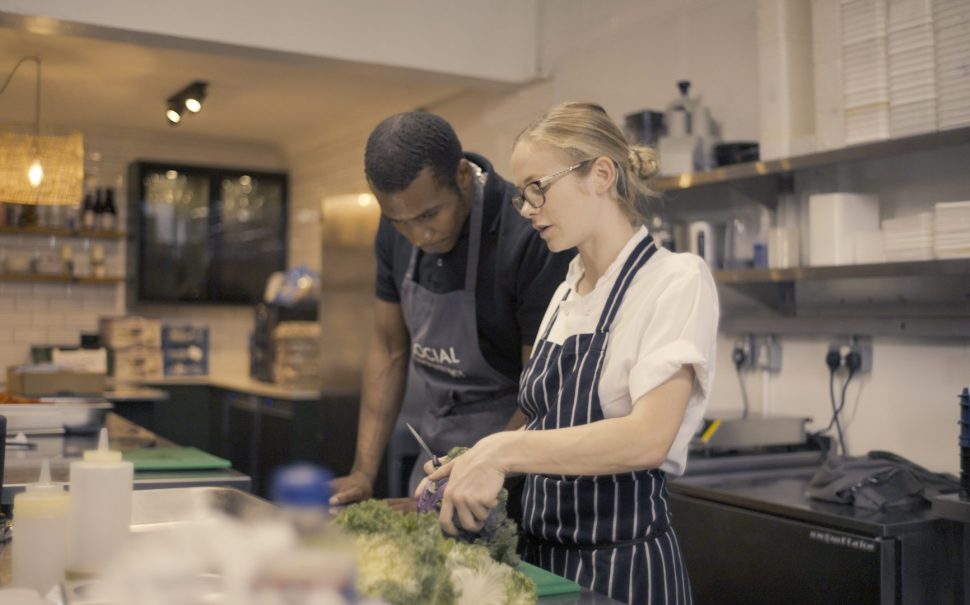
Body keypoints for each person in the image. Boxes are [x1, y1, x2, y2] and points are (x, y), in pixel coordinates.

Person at [417, 102, 719, 605]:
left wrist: (501, 450)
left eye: (539, 187)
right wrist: (471, 463)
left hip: (623, 572)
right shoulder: (566, 290)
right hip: (541, 567)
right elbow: (550, 424)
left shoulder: (675, 280)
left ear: (601, 174)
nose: (529, 207)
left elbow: (648, 438)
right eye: (521, 195)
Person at [329, 111, 574, 507]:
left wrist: (461, 488)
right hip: (434, 462)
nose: (418, 235)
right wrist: (362, 472)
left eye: (429, 215)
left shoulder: (527, 234)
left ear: (462, 175)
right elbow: (389, 348)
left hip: (517, 476)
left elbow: (544, 392)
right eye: (399, 221)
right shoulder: (395, 230)